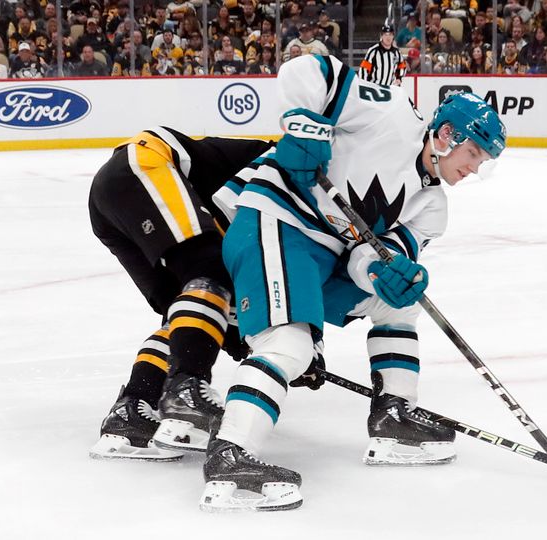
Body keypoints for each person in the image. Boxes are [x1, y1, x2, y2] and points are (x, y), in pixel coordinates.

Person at [202, 55, 506, 512]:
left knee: (400, 306)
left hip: (325, 256)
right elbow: (307, 70)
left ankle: (393, 416)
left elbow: (370, 255)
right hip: (276, 221)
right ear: (448, 136)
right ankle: (230, 455)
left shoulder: (432, 208)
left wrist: (386, 274)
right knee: (290, 345)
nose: (473, 169)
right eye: (473, 155)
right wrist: (304, 124)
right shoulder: (391, 115)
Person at [88, 127, 273, 461]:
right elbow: (229, 219)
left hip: (117, 194)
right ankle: (187, 387)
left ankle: (133, 408)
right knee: (210, 271)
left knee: (191, 309)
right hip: (144, 166)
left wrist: (232, 331)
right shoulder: (282, 162)